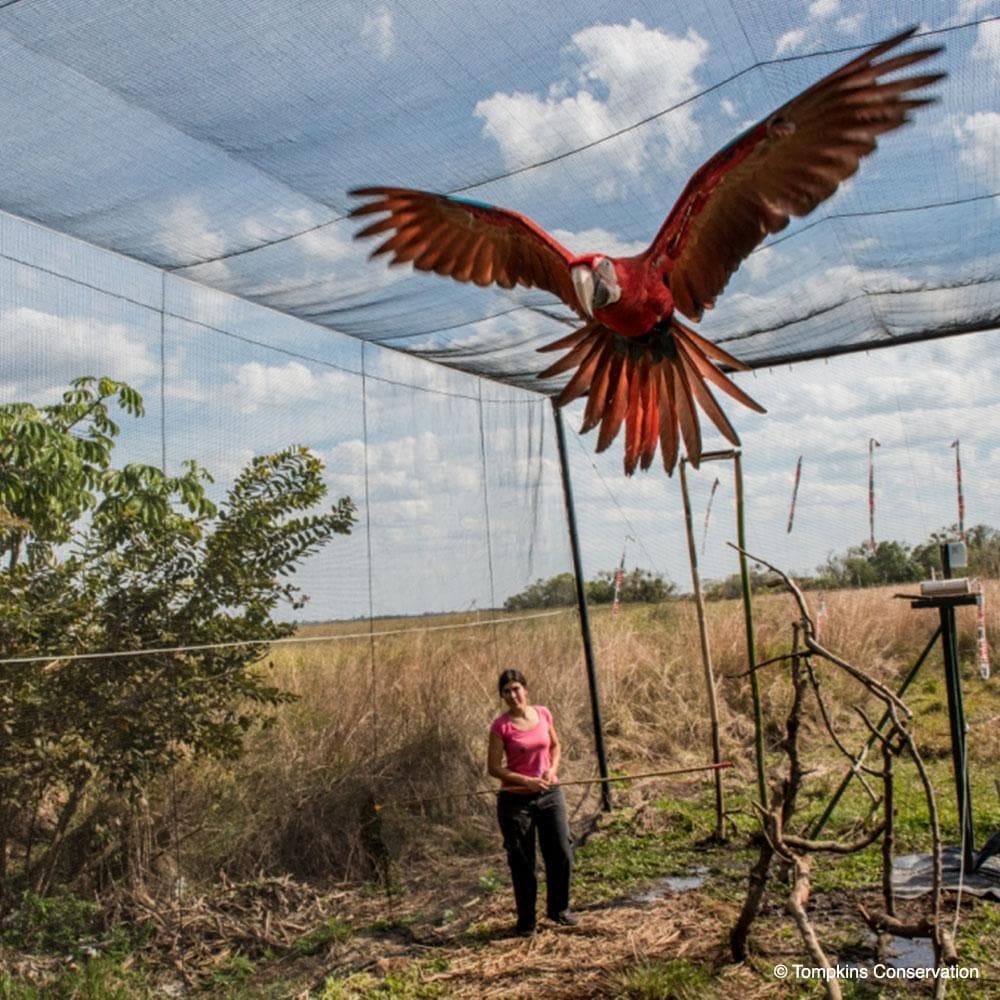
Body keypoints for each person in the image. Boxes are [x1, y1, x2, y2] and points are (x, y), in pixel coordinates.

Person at [487, 668, 577, 936]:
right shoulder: (501, 727)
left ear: (526, 689)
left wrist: (552, 770)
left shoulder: (544, 713)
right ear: (502, 696)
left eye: (516, 689)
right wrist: (525, 781)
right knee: (523, 861)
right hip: (516, 801)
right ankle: (527, 922)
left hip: (550, 794)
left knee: (561, 851)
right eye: (506, 691)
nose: (513, 695)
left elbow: (554, 746)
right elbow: (493, 768)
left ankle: (558, 910)